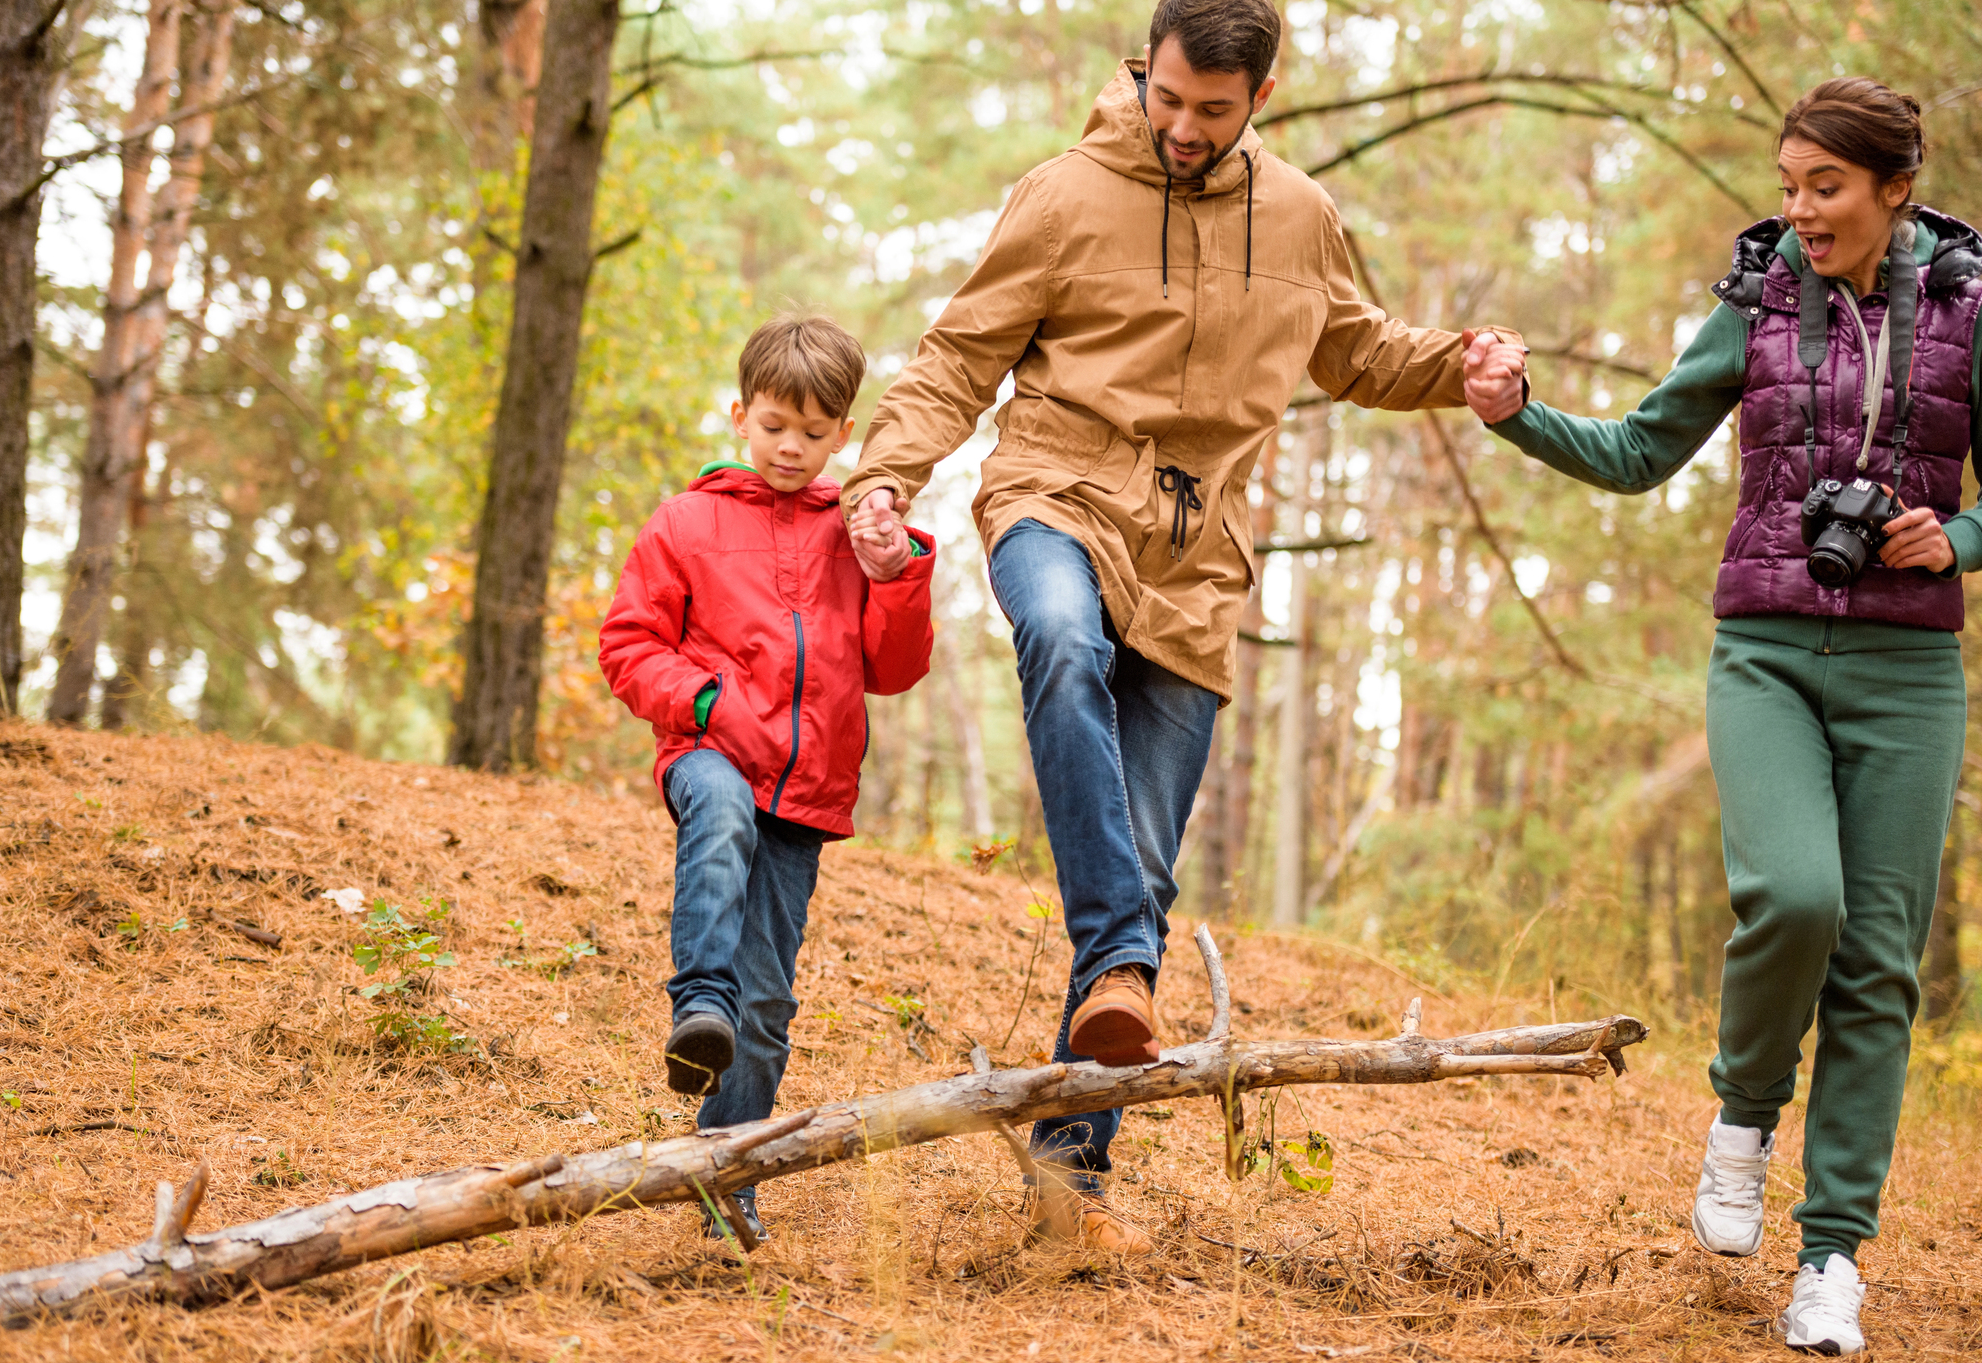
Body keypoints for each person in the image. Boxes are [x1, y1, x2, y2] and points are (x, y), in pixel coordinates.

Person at [841, 0, 1528, 1254]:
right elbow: (957, 355)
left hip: (1198, 553)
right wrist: (886, 472)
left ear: (1256, 99)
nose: (1181, 127)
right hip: (1055, 490)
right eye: (1166, 99)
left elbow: (1357, 349)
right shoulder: (1060, 195)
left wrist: (1468, 368)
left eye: (1212, 111)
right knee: (1057, 636)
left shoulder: (1302, 216)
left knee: (1146, 868)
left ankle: (1068, 1179)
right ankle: (1118, 962)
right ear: (1142, 72)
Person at [1469, 78, 1982, 1356]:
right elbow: (1641, 449)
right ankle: (1743, 1114)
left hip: (1907, 667)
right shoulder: (1756, 298)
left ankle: (1831, 1260)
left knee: (1876, 964)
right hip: (1762, 648)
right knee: (1795, 898)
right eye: (1787, 183)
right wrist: (1513, 412)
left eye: (1824, 186)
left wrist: (1955, 536)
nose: (1798, 209)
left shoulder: (1970, 309)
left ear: (1891, 190)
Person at [599, 314, 936, 1241]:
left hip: (807, 788)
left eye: (815, 432)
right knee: (716, 813)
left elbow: (894, 667)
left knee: (773, 996)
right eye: (775, 425)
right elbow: (629, 645)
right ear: (740, 413)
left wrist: (898, 568)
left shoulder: (856, 530)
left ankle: (728, 1173)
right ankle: (697, 1000)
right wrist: (703, 705)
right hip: (710, 751)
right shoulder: (686, 521)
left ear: (845, 434)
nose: (792, 447)